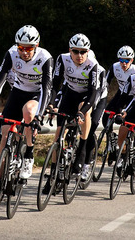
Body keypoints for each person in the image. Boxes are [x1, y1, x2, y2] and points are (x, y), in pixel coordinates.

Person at [0, 25, 53, 187]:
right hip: (18, 92)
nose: (25, 52)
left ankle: (28, 153)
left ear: (37, 46)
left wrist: (39, 116)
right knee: (5, 133)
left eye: (29, 48)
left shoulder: (45, 57)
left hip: (36, 94)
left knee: (28, 112)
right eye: (21, 48)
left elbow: (47, 88)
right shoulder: (12, 54)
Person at [48, 33, 99, 176]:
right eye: (75, 51)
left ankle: (82, 150)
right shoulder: (62, 59)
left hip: (85, 96)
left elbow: (93, 92)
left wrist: (82, 111)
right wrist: (51, 104)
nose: (79, 55)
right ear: (70, 50)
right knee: (58, 137)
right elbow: (55, 84)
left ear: (87, 52)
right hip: (69, 94)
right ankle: (53, 173)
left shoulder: (92, 65)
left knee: (84, 110)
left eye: (83, 52)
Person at [101, 45, 135, 128]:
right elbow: (106, 81)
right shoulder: (115, 67)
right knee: (106, 115)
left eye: (127, 60)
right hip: (121, 93)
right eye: (121, 60)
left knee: (126, 118)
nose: (124, 63)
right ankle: (111, 137)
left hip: (133, 95)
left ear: (132, 60)